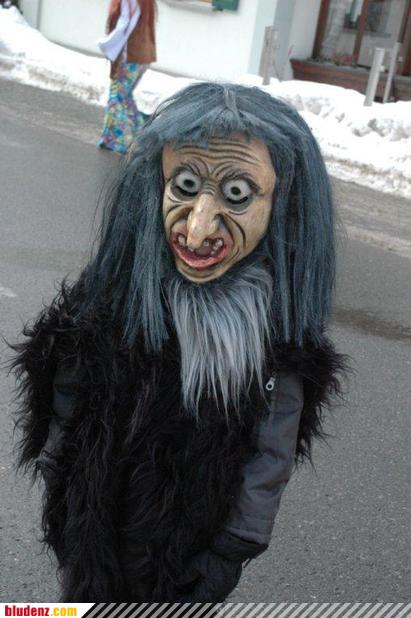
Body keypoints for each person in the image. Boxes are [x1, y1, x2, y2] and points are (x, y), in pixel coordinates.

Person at [13, 83, 346, 602]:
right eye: (185, 185)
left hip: (186, 556)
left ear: (283, 204)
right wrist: (62, 490)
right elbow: (67, 398)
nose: (198, 228)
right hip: (91, 533)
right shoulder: (112, 299)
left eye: (238, 194)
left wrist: (231, 548)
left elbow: (270, 453)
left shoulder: (273, 339)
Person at [97, 0, 156, 154]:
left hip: (130, 56)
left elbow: (124, 24)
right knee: (125, 97)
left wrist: (105, 45)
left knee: (116, 97)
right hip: (143, 55)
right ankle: (142, 136)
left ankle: (121, 141)